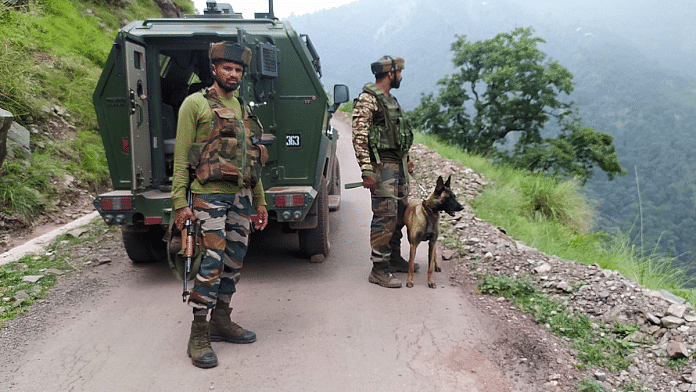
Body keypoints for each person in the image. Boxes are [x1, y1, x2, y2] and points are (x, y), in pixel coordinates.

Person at [171, 41, 269, 368]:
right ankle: (199, 331)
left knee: (234, 261)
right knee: (211, 261)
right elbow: (183, 158)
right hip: (207, 196)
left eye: (238, 69)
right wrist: (179, 205)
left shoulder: (243, 108)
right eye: (227, 68)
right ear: (214, 69)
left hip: (240, 196)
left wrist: (260, 201)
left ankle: (221, 320)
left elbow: (251, 160)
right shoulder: (194, 105)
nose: (233, 74)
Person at [351, 55, 418, 289]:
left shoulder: (391, 100)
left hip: (397, 165)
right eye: (398, 73)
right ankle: (378, 269)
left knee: (399, 213)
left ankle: (394, 258)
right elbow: (359, 138)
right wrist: (367, 170)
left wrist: (407, 157)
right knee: (384, 216)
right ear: (390, 74)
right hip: (381, 168)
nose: (400, 76)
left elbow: (398, 132)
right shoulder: (368, 100)